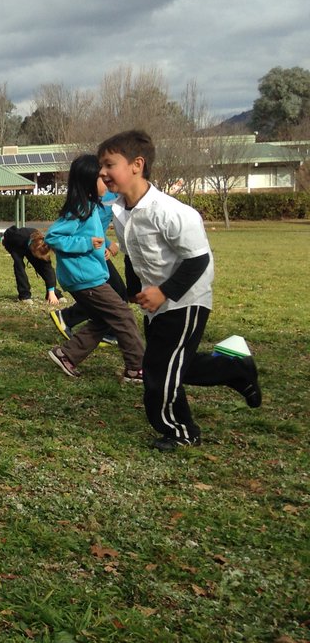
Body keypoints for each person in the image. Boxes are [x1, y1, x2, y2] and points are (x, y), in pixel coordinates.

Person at [97, 129, 262, 452]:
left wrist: (164, 292)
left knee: (157, 371)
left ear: (136, 165)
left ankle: (181, 432)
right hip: (156, 303)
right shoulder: (119, 211)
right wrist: (135, 290)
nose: (102, 172)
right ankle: (234, 369)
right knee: (175, 364)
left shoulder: (171, 212)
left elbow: (198, 260)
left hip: (186, 300)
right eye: (101, 165)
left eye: (109, 164)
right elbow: (132, 255)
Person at [35, 155, 144, 381]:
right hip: (85, 279)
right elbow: (54, 237)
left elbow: (92, 234)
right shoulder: (80, 208)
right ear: (88, 181)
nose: (108, 181)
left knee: (105, 320)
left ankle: (66, 354)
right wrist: (85, 244)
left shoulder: (91, 207)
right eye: (102, 178)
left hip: (89, 276)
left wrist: (105, 244)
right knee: (122, 314)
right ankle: (136, 368)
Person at [49, 188, 125, 342]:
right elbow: (89, 228)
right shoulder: (101, 198)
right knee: (117, 295)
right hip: (91, 252)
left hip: (96, 249)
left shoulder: (117, 195)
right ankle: (69, 318)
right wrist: (107, 244)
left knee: (114, 296)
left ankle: (72, 320)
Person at [1, 225, 60, 303]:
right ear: (33, 251)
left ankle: (53, 294)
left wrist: (51, 291)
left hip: (31, 245)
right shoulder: (18, 235)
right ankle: (24, 295)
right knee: (19, 267)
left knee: (45, 266)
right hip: (15, 244)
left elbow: (48, 269)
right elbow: (9, 232)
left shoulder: (43, 243)